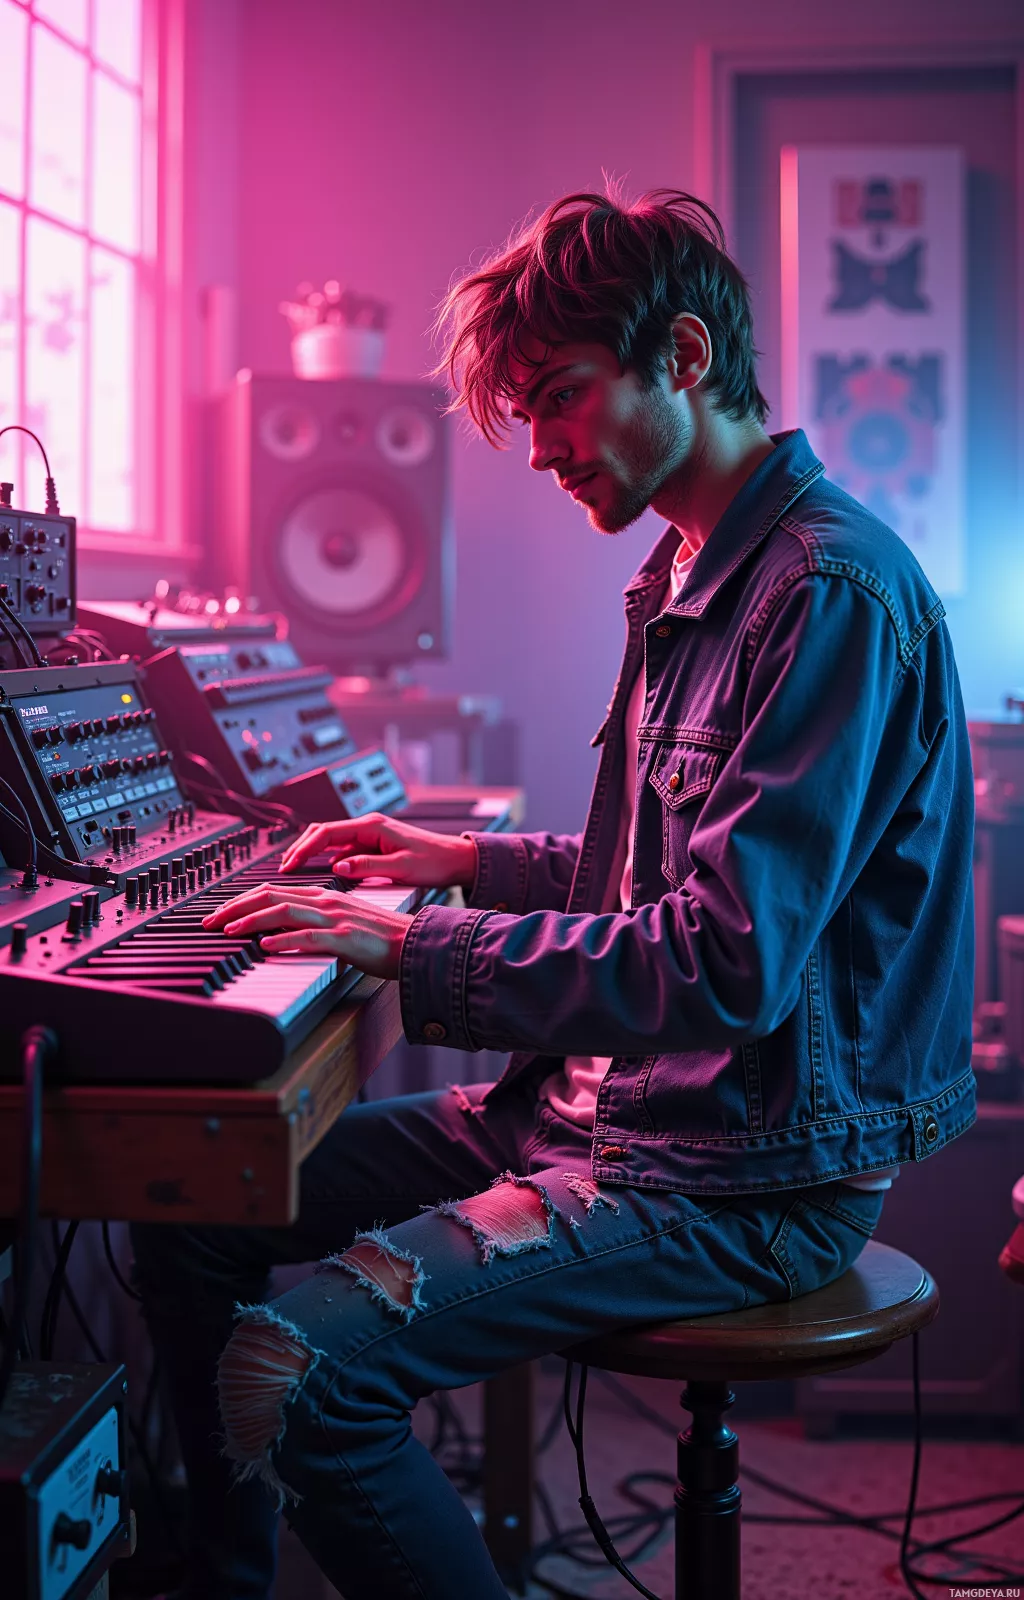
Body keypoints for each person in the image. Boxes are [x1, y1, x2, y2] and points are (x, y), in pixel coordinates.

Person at [131, 186, 975, 1600]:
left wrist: (417, 948)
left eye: (563, 398)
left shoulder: (826, 592)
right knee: (189, 1198)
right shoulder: (695, 568)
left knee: (300, 1373)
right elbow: (665, 882)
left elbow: (722, 965)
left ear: (687, 359)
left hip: (740, 1174)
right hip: (605, 1111)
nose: (538, 450)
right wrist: (459, 862)